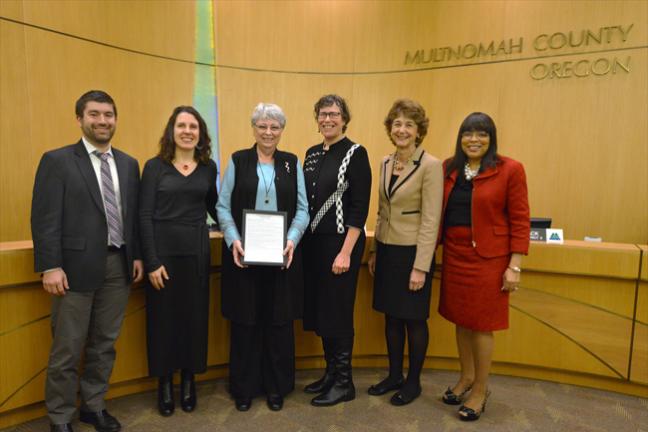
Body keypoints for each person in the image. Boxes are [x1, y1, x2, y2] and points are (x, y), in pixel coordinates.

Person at [31, 90, 143, 432]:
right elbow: (45, 218)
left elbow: (132, 216)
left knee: (104, 345)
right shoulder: (57, 161)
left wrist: (136, 254)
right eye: (94, 114)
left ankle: (93, 407)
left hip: (117, 268)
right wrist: (50, 265)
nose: (102, 121)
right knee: (67, 348)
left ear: (116, 119)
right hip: (73, 270)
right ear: (79, 119)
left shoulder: (128, 163)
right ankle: (61, 417)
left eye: (108, 114)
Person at [438, 112, 529, 421]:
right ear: (460, 137)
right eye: (468, 133)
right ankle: (465, 377)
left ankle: (480, 389)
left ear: (491, 139)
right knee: (460, 320)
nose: (473, 139)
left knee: (481, 325)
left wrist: (514, 265)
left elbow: (520, 219)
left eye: (481, 134)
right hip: (454, 254)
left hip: (489, 259)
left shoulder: (509, 170)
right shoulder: (448, 168)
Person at [217, 103, 308, 412]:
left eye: (275, 127)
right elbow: (222, 206)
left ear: (281, 130)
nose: (268, 132)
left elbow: (303, 208)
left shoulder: (290, 162)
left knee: (278, 324)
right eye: (262, 126)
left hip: (281, 259)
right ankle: (244, 388)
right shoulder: (238, 161)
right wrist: (234, 240)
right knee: (246, 322)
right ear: (253, 128)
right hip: (244, 258)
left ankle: (276, 388)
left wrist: (292, 240)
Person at [139, 106, 218, 416]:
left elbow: (215, 207)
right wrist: (152, 261)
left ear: (200, 133)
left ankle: (188, 379)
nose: (187, 131)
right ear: (172, 130)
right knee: (163, 322)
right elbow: (144, 216)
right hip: (163, 256)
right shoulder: (155, 167)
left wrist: (246, 232)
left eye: (193, 126)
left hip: (196, 254)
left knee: (194, 320)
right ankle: (164, 383)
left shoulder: (208, 167)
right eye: (182, 125)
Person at [367, 99, 443, 406]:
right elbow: (381, 211)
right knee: (391, 318)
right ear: (390, 129)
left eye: (409, 125)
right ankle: (394, 374)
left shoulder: (431, 165)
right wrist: (374, 251)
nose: (402, 130)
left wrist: (421, 267)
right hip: (387, 251)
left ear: (419, 131)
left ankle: (413, 382)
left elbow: (431, 219)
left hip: (413, 254)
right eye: (397, 124)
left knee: (413, 320)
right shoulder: (385, 162)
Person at [302, 94, 372, 407]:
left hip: (342, 244)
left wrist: (346, 253)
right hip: (313, 244)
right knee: (322, 310)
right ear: (316, 118)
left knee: (338, 311)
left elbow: (359, 209)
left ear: (344, 119)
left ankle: (344, 382)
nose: (328, 119)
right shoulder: (312, 153)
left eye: (334, 114)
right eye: (323, 114)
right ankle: (331, 374)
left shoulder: (356, 153)